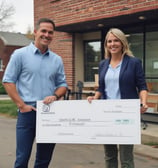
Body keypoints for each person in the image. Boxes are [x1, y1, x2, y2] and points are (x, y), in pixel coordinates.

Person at [2, 18, 68, 168]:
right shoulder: (19, 55)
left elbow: (63, 85)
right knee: (22, 159)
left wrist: (56, 95)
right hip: (28, 113)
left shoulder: (57, 60)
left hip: (50, 113)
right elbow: (8, 81)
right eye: (43, 31)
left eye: (50, 32)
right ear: (35, 32)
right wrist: (22, 105)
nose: (46, 35)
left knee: (44, 161)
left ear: (53, 35)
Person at [87, 28, 148, 168]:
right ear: (106, 44)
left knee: (126, 158)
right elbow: (101, 88)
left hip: (125, 115)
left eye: (116, 40)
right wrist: (94, 98)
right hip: (106, 115)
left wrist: (143, 102)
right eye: (109, 41)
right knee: (109, 155)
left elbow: (142, 86)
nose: (112, 44)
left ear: (122, 43)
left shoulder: (134, 63)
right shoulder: (103, 64)